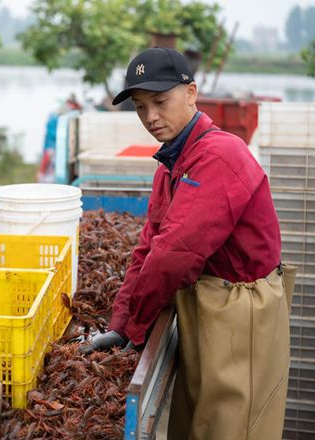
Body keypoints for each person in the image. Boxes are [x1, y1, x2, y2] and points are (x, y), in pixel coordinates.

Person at [79, 47, 295, 439]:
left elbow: (172, 257)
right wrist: (121, 325)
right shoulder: (173, 161)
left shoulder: (218, 156)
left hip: (242, 312)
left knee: (233, 427)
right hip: (209, 305)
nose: (150, 117)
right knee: (195, 422)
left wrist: (138, 330)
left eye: (160, 102)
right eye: (141, 107)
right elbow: (149, 246)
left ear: (191, 93)